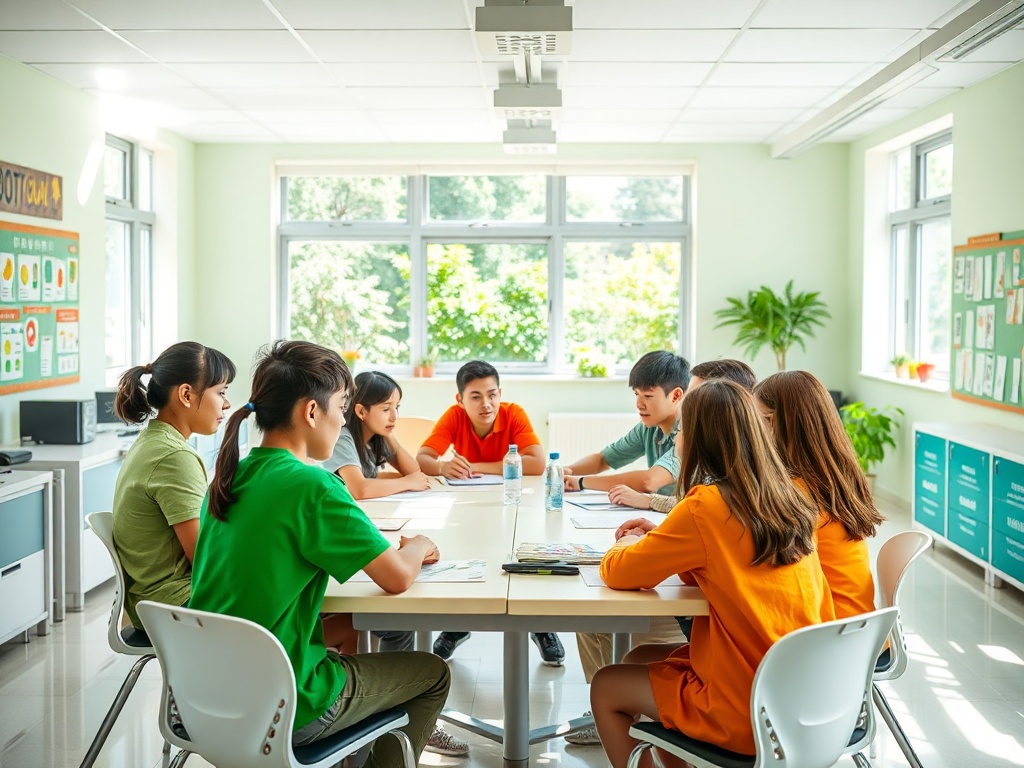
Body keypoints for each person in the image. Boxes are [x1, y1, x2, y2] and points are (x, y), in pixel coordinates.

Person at [188, 340, 451, 766]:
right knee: (432, 673)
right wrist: (420, 546)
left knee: (346, 630)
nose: (344, 419)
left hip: (205, 694)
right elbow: (397, 578)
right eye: (343, 407)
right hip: (282, 703)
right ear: (312, 411)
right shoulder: (313, 486)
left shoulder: (230, 477)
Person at [591, 379, 834, 767]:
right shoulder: (790, 498)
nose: (676, 439)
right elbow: (723, 559)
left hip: (745, 708)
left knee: (606, 686)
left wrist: (623, 545)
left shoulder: (705, 505)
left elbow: (620, 573)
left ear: (700, 439)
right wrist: (670, 541)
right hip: (806, 695)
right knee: (639, 658)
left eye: (683, 429)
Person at [323, 369, 469, 756]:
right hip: (307, 692)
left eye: (397, 407)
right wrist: (417, 539)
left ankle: (388, 711)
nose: (394, 415)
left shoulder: (373, 439)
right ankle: (395, 714)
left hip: (275, 675)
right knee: (399, 614)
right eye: (386, 408)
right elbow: (358, 489)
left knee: (397, 616)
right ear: (356, 410)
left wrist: (387, 432)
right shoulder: (340, 439)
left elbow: (414, 470)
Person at [416, 360, 564, 666]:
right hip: (471, 504)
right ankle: (457, 625)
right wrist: (443, 466)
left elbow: (535, 463)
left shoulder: (513, 413)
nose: (487, 404)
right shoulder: (454, 417)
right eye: (476, 396)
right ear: (460, 399)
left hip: (519, 503)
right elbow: (423, 458)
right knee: (465, 551)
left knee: (526, 553)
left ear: (500, 393)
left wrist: (474, 466)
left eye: (492, 394)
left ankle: (540, 624)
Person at [112, 341, 235, 630]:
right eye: (221, 393)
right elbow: (204, 558)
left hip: (156, 599)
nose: (227, 404)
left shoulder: (154, 441)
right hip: (177, 603)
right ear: (186, 394)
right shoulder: (173, 456)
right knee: (306, 606)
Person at [754, 370, 883, 618]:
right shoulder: (834, 476)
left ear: (773, 423)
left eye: (755, 421)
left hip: (828, 641)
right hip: (860, 634)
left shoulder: (796, 493)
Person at [606, 359, 756, 512]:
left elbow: (700, 506)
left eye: (695, 399)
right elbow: (692, 503)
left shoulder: (741, 476)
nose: (684, 406)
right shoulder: (715, 460)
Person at [562, 351, 689, 495]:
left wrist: (580, 482)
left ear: (676, 396)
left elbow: (648, 482)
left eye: (648, 396)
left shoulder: (689, 432)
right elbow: (603, 460)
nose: (639, 404)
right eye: (636, 394)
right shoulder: (648, 429)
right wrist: (566, 471)